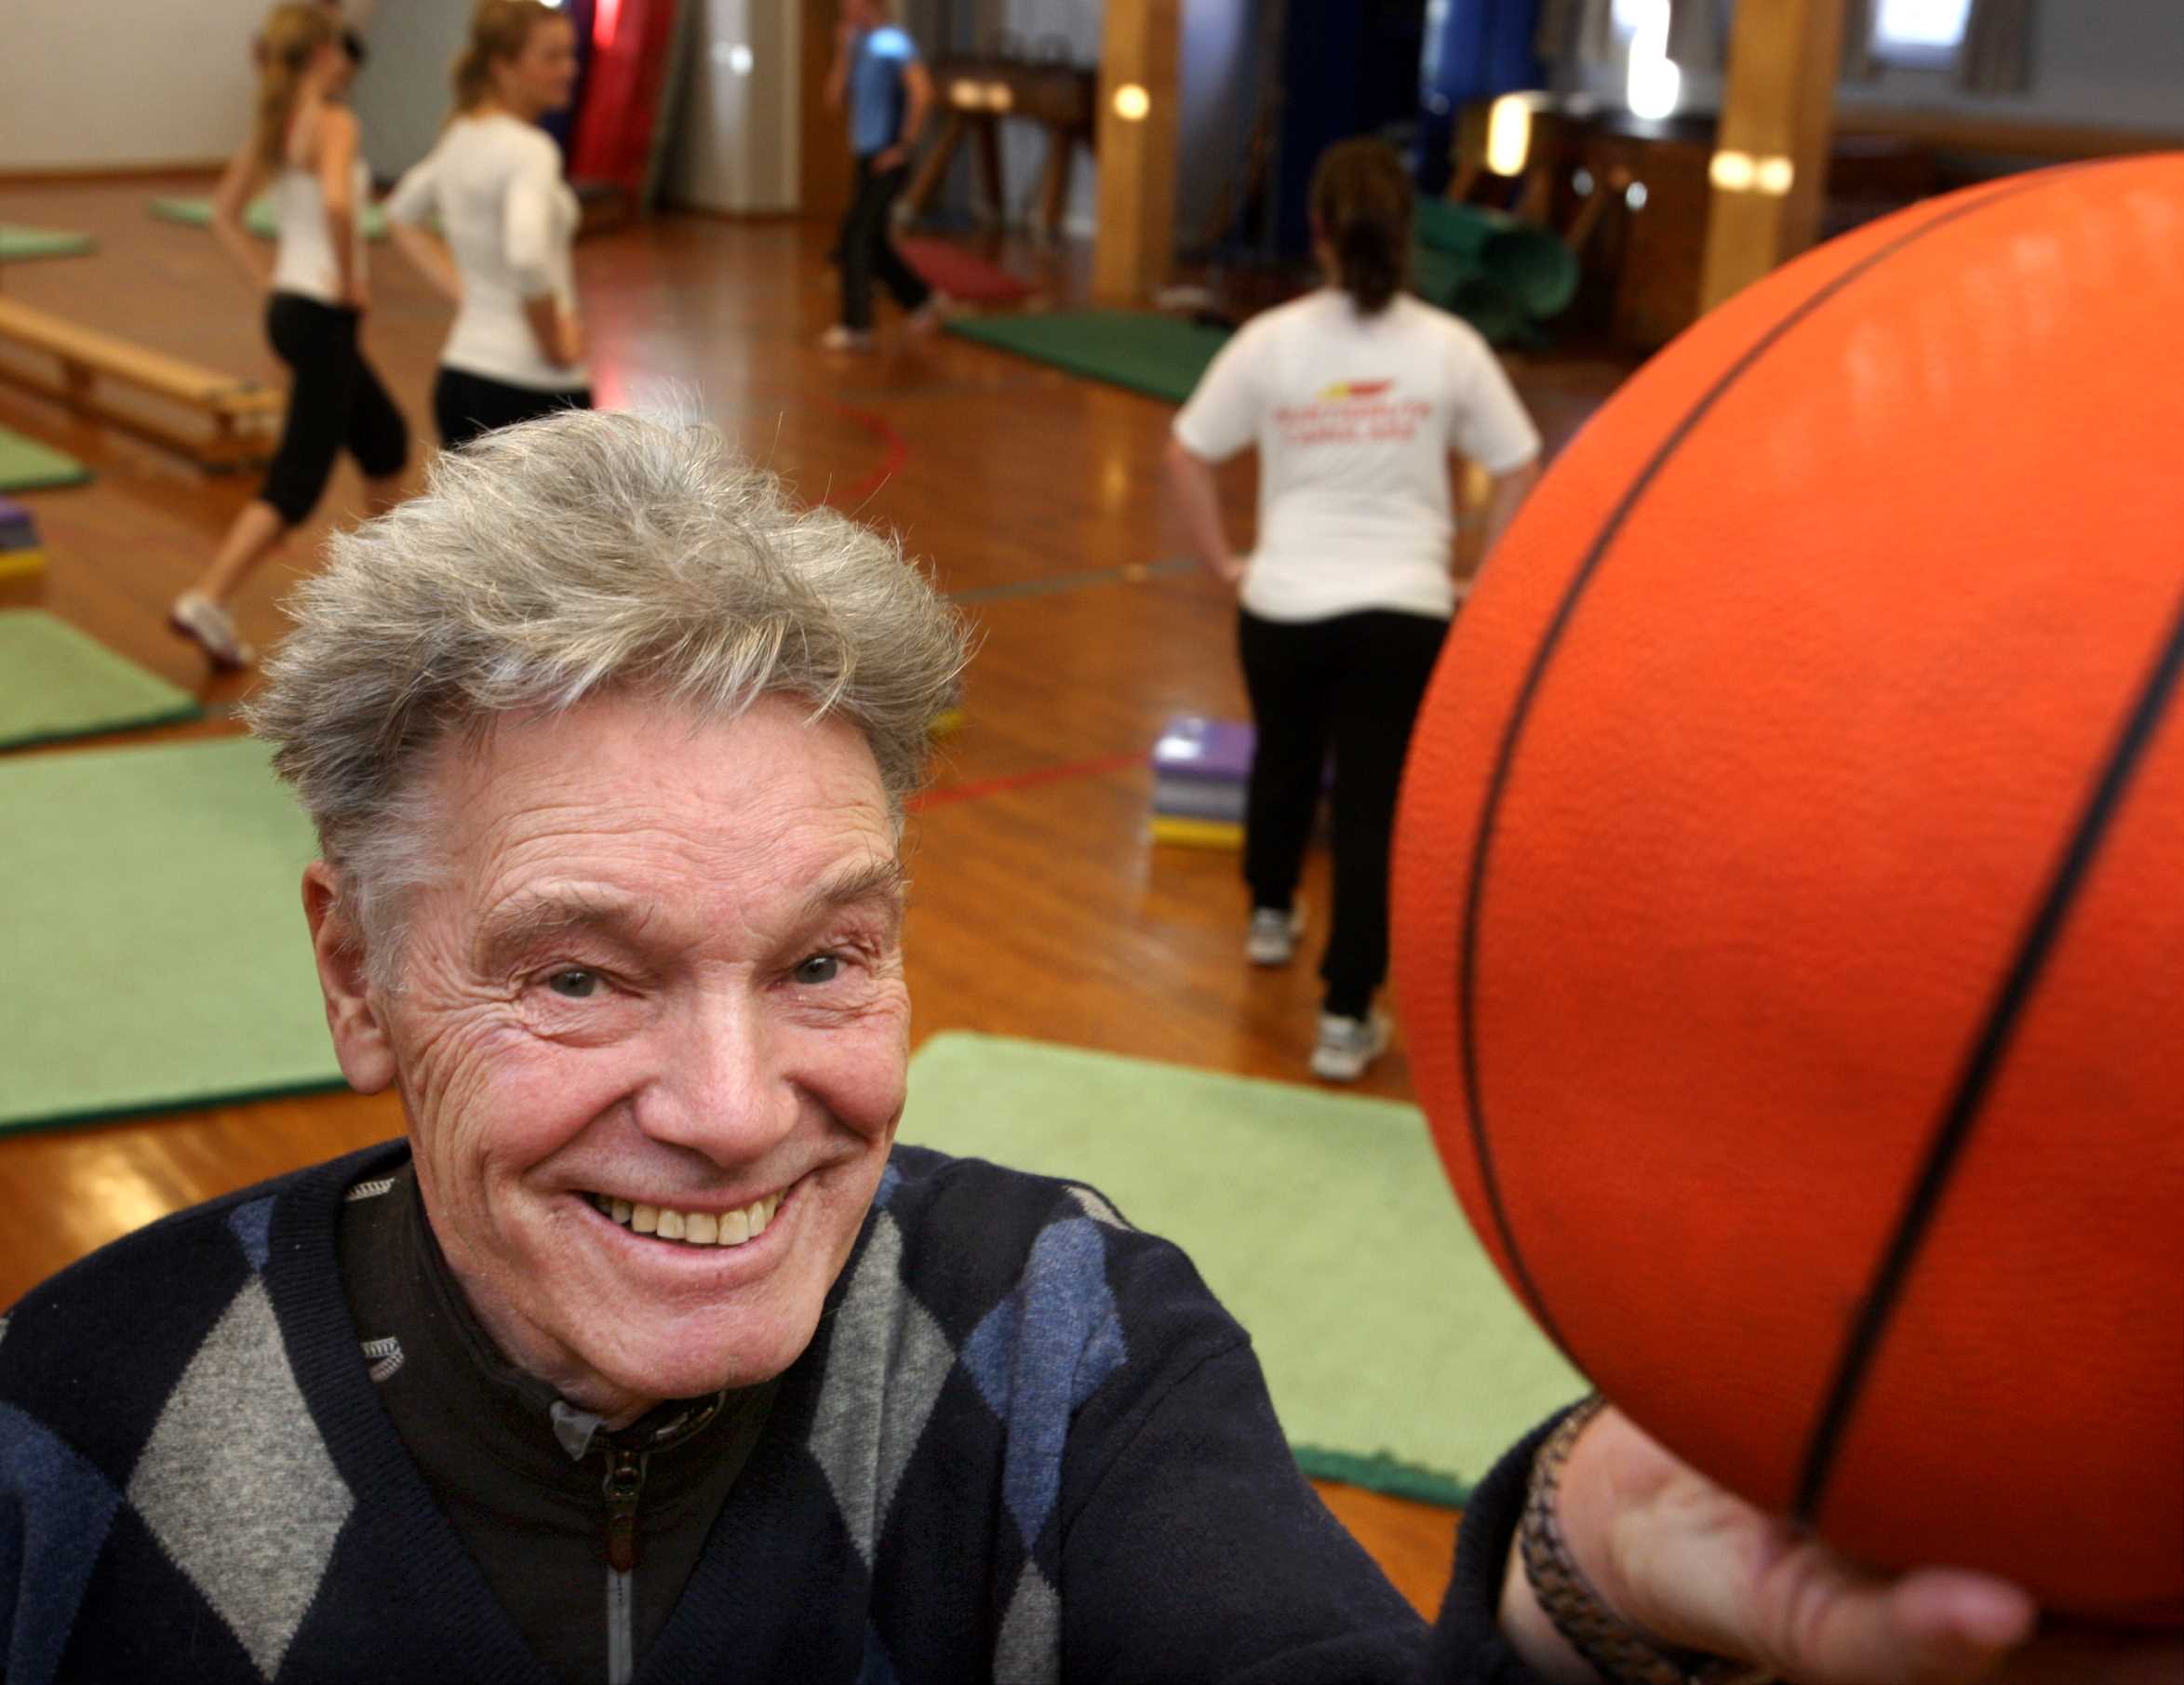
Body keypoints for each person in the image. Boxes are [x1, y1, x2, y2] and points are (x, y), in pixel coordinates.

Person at [0, 412, 2139, 1685]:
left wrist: (1577, 1575)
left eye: (828, 960)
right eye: (578, 976)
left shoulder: (1060, 1343)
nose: (743, 1110)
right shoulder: (80, 1430)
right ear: (355, 972)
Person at [1166, 139, 1544, 1083]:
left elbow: (1185, 451)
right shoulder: (1450, 347)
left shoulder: (1272, 339)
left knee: (1285, 758)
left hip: (1283, 604)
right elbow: (1519, 462)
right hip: (1405, 615)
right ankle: (1343, 1015)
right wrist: (1481, 578)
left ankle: (1269, 912)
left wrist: (1224, 563)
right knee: (1373, 809)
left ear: (1318, 231)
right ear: (1407, 234)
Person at [169, 2, 409, 671]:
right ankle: (208, 595)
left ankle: (394, 601)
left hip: (294, 310)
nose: (345, 61)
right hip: (324, 309)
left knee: (384, 438)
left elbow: (223, 216)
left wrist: (272, 281)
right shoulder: (333, 122)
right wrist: (348, 276)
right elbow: (337, 203)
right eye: (338, 49)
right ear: (322, 57)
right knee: (298, 479)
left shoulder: (274, 128)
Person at [384, 0, 588, 451]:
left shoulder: (462, 137)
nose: (569, 69)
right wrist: (554, 341)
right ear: (502, 65)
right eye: (551, 57)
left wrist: (469, 292)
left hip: (461, 377)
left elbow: (401, 215)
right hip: (529, 385)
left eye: (570, 54)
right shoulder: (531, 150)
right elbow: (529, 258)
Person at [821, 0, 946, 353]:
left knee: (855, 235)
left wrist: (903, 146)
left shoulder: (891, 41)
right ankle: (921, 300)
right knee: (873, 239)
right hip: (865, 157)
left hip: (888, 157)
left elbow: (922, 93)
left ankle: (856, 324)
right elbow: (832, 99)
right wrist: (843, 53)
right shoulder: (859, 45)